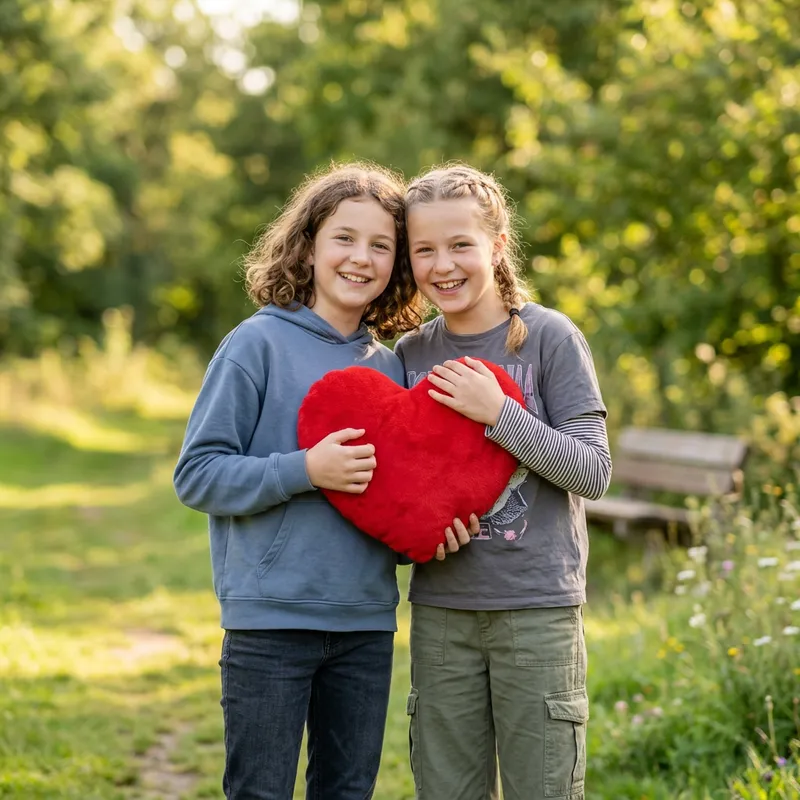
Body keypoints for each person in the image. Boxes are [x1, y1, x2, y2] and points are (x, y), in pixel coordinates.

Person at [174, 163, 437, 800]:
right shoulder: (255, 344)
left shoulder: (392, 369)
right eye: (344, 238)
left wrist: (430, 530)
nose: (361, 258)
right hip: (269, 621)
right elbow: (198, 474)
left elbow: (395, 497)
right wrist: (305, 471)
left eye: (382, 245)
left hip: (366, 624)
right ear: (310, 244)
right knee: (259, 791)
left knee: (346, 791)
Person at [394, 164, 613, 800]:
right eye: (424, 250)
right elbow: (404, 488)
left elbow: (593, 471)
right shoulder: (410, 356)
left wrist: (500, 415)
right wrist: (417, 535)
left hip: (536, 611)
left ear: (496, 244)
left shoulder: (549, 339)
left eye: (460, 244)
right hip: (443, 614)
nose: (444, 265)